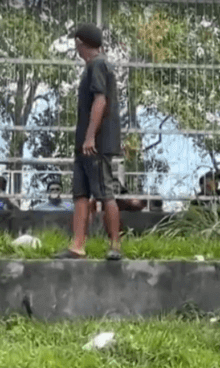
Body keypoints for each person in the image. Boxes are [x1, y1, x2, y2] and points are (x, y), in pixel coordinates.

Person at [56, 23, 122, 260]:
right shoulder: (93, 66)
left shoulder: (98, 65)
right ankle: (78, 246)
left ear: (80, 43)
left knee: (105, 193)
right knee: (81, 194)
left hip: (96, 143)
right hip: (84, 143)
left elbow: (100, 100)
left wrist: (91, 136)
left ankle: (115, 246)